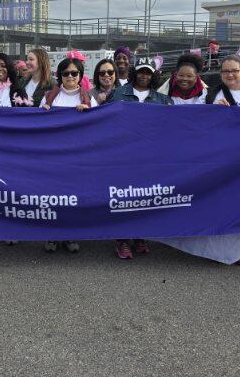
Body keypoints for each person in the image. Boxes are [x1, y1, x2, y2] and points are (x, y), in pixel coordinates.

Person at [107, 57, 171, 259]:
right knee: (124, 198)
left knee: (144, 198)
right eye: (142, 72)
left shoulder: (162, 100)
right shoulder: (118, 94)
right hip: (122, 156)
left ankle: (140, 236)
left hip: (148, 158)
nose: (145, 76)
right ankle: (122, 239)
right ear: (135, 73)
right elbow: (104, 120)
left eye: (149, 73)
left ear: (154, 76)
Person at [40, 57, 96, 253]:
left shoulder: (89, 98)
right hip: (53, 156)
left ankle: (71, 235)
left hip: (78, 157)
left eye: (74, 73)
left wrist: (88, 113)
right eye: (66, 73)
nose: (70, 76)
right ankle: (52, 235)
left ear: (80, 76)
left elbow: (98, 126)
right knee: (53, 197)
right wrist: (44, 113)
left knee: (73, 198)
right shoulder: (49, 97)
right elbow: (38, 127)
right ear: (60, 76)